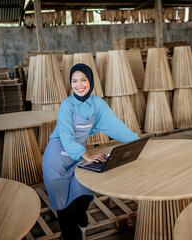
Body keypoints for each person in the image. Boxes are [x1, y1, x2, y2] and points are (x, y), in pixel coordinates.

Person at [42, 63, 139, 240]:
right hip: (56, 161)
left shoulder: (97, 104)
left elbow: (116, 126)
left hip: (77, 158)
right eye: (74, 81)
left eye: (83, 80)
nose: (79, 85)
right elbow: (65, 136)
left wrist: (138, 142)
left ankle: (80, 220)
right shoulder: (67, 105)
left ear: (91, 81)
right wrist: (87, 155)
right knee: (64, 210)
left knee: (82, 195)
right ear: (70, 84)